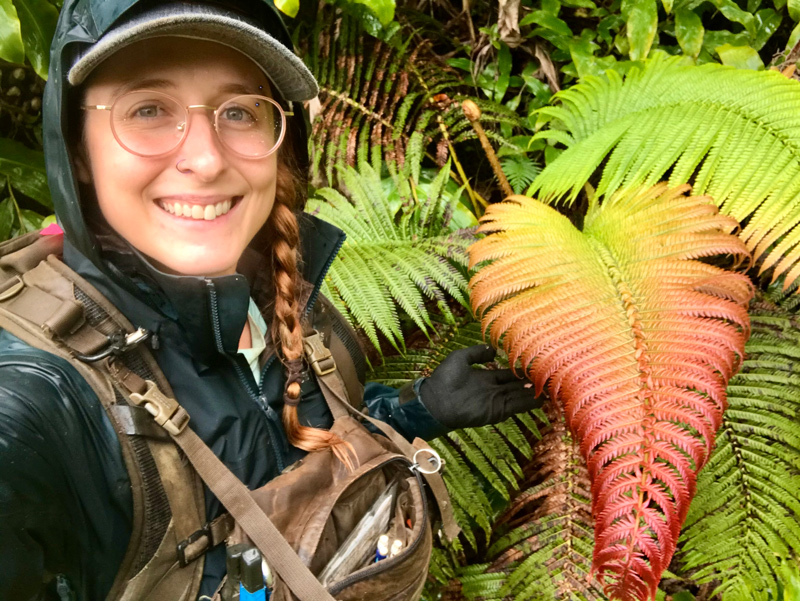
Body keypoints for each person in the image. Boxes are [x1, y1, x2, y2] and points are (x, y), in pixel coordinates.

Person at [0, 0, 542, 599]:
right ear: (77, 147)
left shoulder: (282, 293)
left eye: (238, 111)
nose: (205, 160)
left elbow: (285, 450)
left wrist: (419, 410)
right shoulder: (34, 401)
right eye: (148, 109)